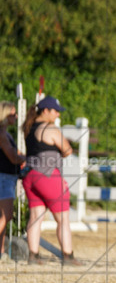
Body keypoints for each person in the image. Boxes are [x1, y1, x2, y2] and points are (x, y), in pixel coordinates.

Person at [22, 96, 80, 266]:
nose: (57, 115)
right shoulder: (50, 128)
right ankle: (68, 256)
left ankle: (33, 256)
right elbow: (67, 150)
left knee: (35, 217)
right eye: (55, 111)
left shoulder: (28, 127)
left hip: (29, 176)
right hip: (47, 175)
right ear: (46, 111)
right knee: (63, 219)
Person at [0, 101, 25, 261]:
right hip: (3, 178)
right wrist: (28, 158)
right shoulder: (2, 135)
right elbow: (13, 157)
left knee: (3, 217)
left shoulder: (5, 134)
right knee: (6, 216)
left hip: (7, 177)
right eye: (13, 114)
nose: (16, 117)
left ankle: (1, 251)